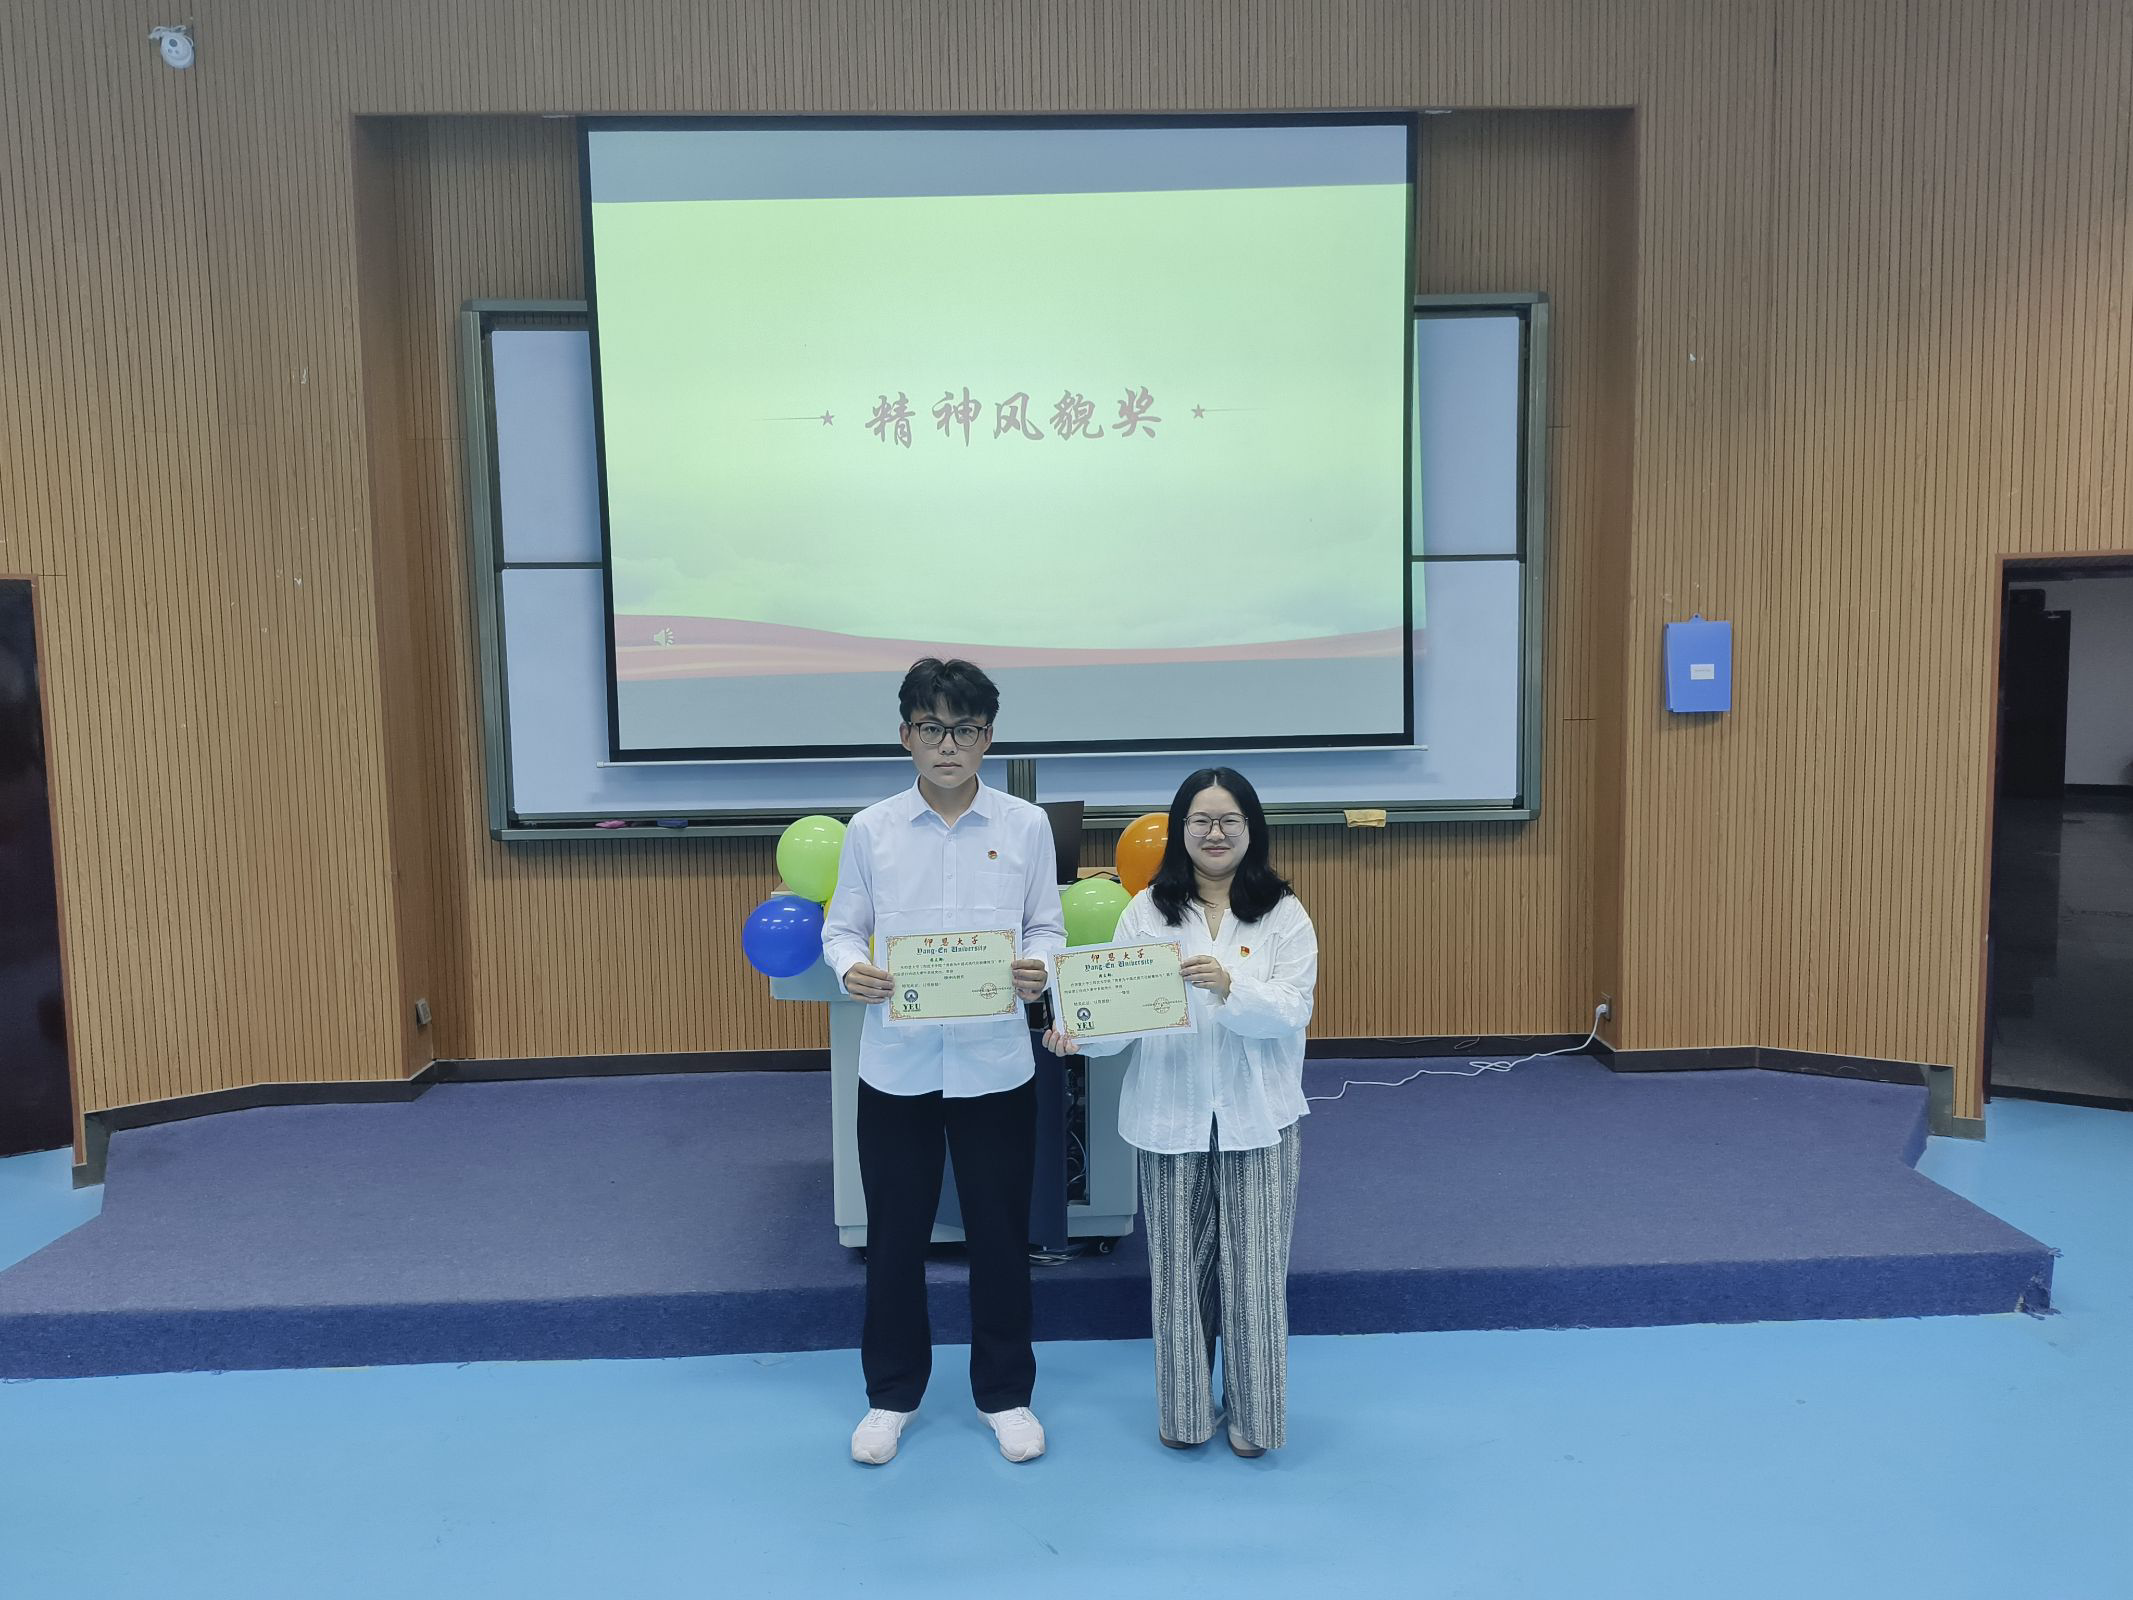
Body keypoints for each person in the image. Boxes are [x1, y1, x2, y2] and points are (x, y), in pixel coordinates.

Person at [821, 658, 1065, 1466]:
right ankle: (891, 1397)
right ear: (906, 736)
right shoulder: (871, 830)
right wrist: (850, 968)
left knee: (1000, 1235)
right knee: (895, 1240)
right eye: (932, 728)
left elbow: (1047, 927)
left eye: (965, 729)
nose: (948, 744)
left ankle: (1006, 1395)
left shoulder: (1025, 826)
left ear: (988, 737)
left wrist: (1038, 968)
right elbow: (841, 929)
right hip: (897, 1066)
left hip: (994, 1065)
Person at [1044, 767, 1316, 1457]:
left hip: (1258, 1119)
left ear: (1251, 829)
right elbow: (1118, 1014)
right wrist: (1079, 1032)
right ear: (1180, 830)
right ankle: (1187, 1414)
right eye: (1200, 821)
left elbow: (1293, 1010)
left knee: (1255, 1276)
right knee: (1176, 1276)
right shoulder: (1147, 911)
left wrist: (1230, 986)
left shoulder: (1283, 912)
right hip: (1169, 1117)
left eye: (1229, 821)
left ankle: (1255, 1420)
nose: (1214, 833)